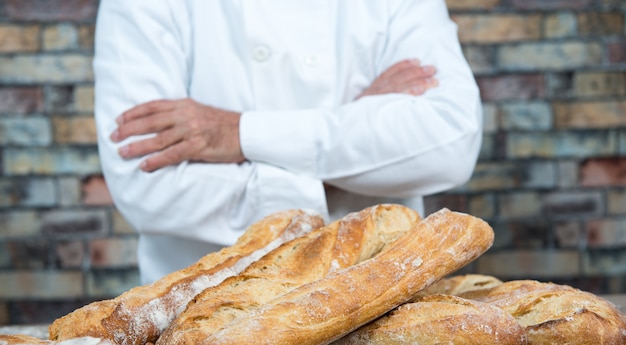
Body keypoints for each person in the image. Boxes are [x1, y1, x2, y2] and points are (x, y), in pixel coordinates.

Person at [94, 0, 483, 284]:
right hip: (199, 314)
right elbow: (149, 190)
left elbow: (450, 143)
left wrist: (239, 133)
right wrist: (357, 132)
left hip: (378, 302)